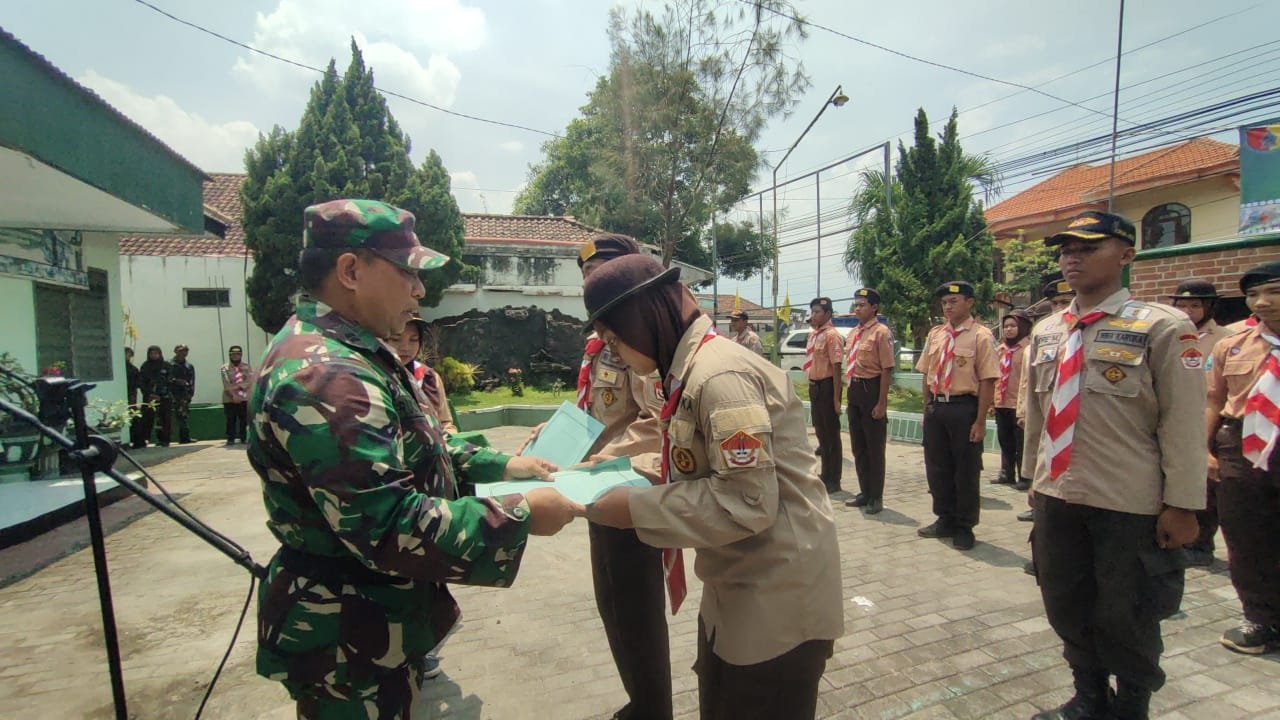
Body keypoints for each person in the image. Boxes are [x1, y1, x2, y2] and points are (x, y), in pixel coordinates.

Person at [248, 198, 583, 719]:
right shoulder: (329, 376)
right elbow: (388, 524)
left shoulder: (349, 353)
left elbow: (411, 443)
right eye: (408, 273)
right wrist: (523, 513)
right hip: (346, 641)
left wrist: (500, 467)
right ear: (351, 270)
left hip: (365, 626)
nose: (420, 291)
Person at [583, 254, 843, 720]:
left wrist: (634, 508)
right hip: (737, 584)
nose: (613, 353)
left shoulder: (719, 376)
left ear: (645, 318)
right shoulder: (687, 370)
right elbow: (694, 462)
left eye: (615, 338)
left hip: (777, 600)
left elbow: (747, 502)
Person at [1022, 210, 1205, 720]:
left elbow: (1184, 423)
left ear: (1126, 255)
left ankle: (1132, 705)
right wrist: (1035, 482)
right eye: (1065, 250)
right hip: (1058, 495)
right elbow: (1038, 416)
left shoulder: (1164, 327)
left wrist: (1184, 505)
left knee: (1128, 613)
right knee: (1066, 603)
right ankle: (1089, 696)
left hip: (1128, 502)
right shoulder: (1048, 331)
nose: (1072, 257)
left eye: (1087, 247)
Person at [571, 233, 670, 720]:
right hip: (593, 487)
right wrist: (548, 440)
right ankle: (639, 701)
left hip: (624, 490)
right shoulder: (597, 343)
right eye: (587, 275)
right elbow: (589, 413)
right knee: (611, 604)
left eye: (602, 272)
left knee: (636, 611)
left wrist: (604, 467)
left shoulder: (638, 341)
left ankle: (655, 708)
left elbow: (657, 424)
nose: (593, 282)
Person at [1205, 261, 1280, 656]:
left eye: (1274, 292)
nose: (1262, 302)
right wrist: (1204, 450)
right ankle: (1261, 617)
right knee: (1247, 535)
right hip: (1241, 442)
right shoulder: (1232, 344)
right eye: (1253, 295)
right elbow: (1213, 400)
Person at [916, 281, 998, 551]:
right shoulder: (936, 334)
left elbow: (987, 379)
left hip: (964, 407)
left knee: (965, 470)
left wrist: (980, 421)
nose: (948, 307)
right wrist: (926, 408)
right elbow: (927, 374)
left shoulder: (981, 335)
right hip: (938, 406)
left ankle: (964, 526)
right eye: (944, 303)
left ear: (970, 302)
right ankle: (945, 518)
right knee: (937, 467)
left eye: (954, 301)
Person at [1166, 278, 1232, 567]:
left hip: (1210, 417)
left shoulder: (1226, 339)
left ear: (1209, 307)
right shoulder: (1167, 333)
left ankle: (1202, 544)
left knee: (1207, 484)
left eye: (1195, 305)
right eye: (1182, 305)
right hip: (1174, 416)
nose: (1188, 311)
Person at [842, 288, 894, 514]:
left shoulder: (881, 332)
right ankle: (865, 491)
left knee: (874, 447)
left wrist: (881, 402)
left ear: (874, 308)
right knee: (858, 446)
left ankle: (876, 496)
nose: (857, 308)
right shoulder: (854, 333)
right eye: (856, 304)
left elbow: (886, 369)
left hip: (872, 388)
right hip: (855, 389)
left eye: (862, 304)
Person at [805, 297, 847, 500]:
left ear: (828, 314)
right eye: (812, 312)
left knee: (831, 435)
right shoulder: (814, 335)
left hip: (828, 386)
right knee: (821, 432)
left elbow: (837, 367)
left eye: (817, 312)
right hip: (815, 387)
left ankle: (834, 479)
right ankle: (825, 473)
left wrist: (837, 398)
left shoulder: (832, 336)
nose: (813, 316)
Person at [389, 316, 457, 434]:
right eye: (396, 339)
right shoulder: (372, 375)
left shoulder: (429, 377)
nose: (405, 347)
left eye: (414, 339)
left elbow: (445, 423)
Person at [992, 309, 1032, 491]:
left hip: (1020, 404)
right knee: (1005, 439)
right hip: (1002, 402)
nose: (1009, 330)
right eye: (1006, 326)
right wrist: (992, 402)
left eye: (1013, 326)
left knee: (1021, 442)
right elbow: (993, 376)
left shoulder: (1029, 349)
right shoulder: (1000, 350)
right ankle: (1006, 473)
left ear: (1023, 327)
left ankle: (1024, 475)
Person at [137, 345, 172, 447]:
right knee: (147, 419)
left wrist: (161, 394)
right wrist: (149, 394)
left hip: (164, 398)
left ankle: (164, 440)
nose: (154, 355)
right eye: (151, 353)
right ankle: (145, 439)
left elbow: (169, 381)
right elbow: (141, 383)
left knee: (164, 419)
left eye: (156, 353)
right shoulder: (145, 366)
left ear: (160, 354)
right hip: (149, 398)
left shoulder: (166, 366)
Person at [220, 345, 253, 445]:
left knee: (243, 419)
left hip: (243, 396)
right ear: (229, 355)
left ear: (241, 354)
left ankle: (243, 437)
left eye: (238, 353)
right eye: (233, 353)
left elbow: (249, 380)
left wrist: (239, 389)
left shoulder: (247, 367)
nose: (235, 355)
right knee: (231, 419)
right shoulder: (224, 368)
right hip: (229, 397)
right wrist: (233, 395)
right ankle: (231, 438)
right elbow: (226, 382)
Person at [169, 344, 195, 444]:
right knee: (168, 417)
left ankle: (185, 438)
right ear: (175, 351)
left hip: (184, 395)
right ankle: (164, 439)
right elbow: (167, 378)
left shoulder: (189, 366)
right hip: (172, 393)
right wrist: (176, 381)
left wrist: (191, 393)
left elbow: (192, 380)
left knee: (183, 416)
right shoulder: (169, 364)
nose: (183, 353)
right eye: (181, 351)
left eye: (185, 351)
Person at [125, 347, 144, 449]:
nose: (126, 356)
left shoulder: (133, 369)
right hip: (123, 395)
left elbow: (139, 383)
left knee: (134, 418)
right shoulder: (119, 368)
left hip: (131, 396)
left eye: (128, 354)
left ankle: (138, 441)